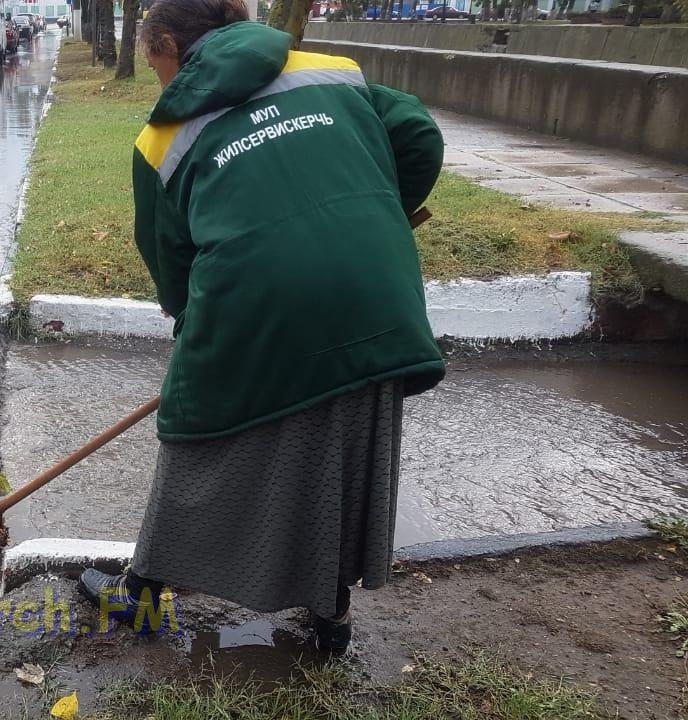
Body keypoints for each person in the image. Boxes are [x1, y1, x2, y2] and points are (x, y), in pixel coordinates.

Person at [76, 0, 445, 655]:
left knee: (194, 430)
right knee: (342, 431)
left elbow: (172, 262)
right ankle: (331, 616)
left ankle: (142, 595)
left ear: (169, 45)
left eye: (157, 65)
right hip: (374, 292)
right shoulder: (333, 72)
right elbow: (417, 134)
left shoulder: (162, 138)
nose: (163, 82)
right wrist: (382, 207)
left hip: (255, 301)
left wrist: (195, 322)